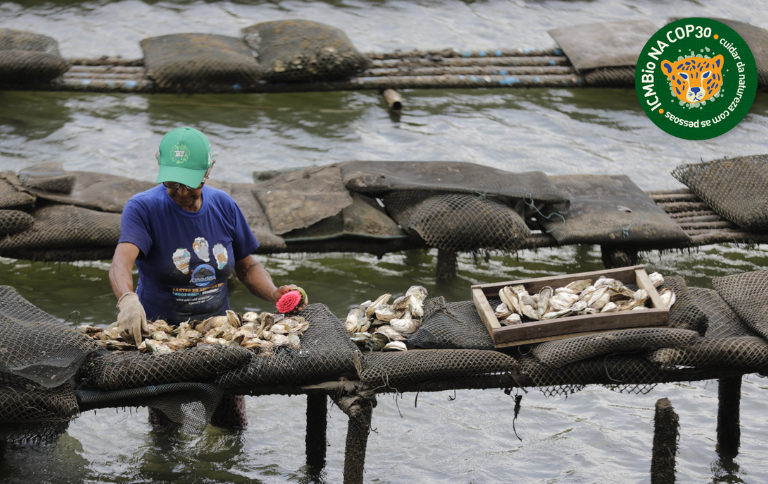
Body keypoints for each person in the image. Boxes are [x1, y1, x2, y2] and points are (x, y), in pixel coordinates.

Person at [108, 126, 306, 430]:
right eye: (172, 183)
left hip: (219, 337)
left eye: (190, 183)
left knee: (231, 427)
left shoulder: (223, 205)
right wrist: (127, 299)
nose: (182, 192)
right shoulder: (143, 208)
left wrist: (274, 294)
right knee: (167, 432)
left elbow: (247, 267)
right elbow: (120, 264)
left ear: (208, 172)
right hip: (164, 338)